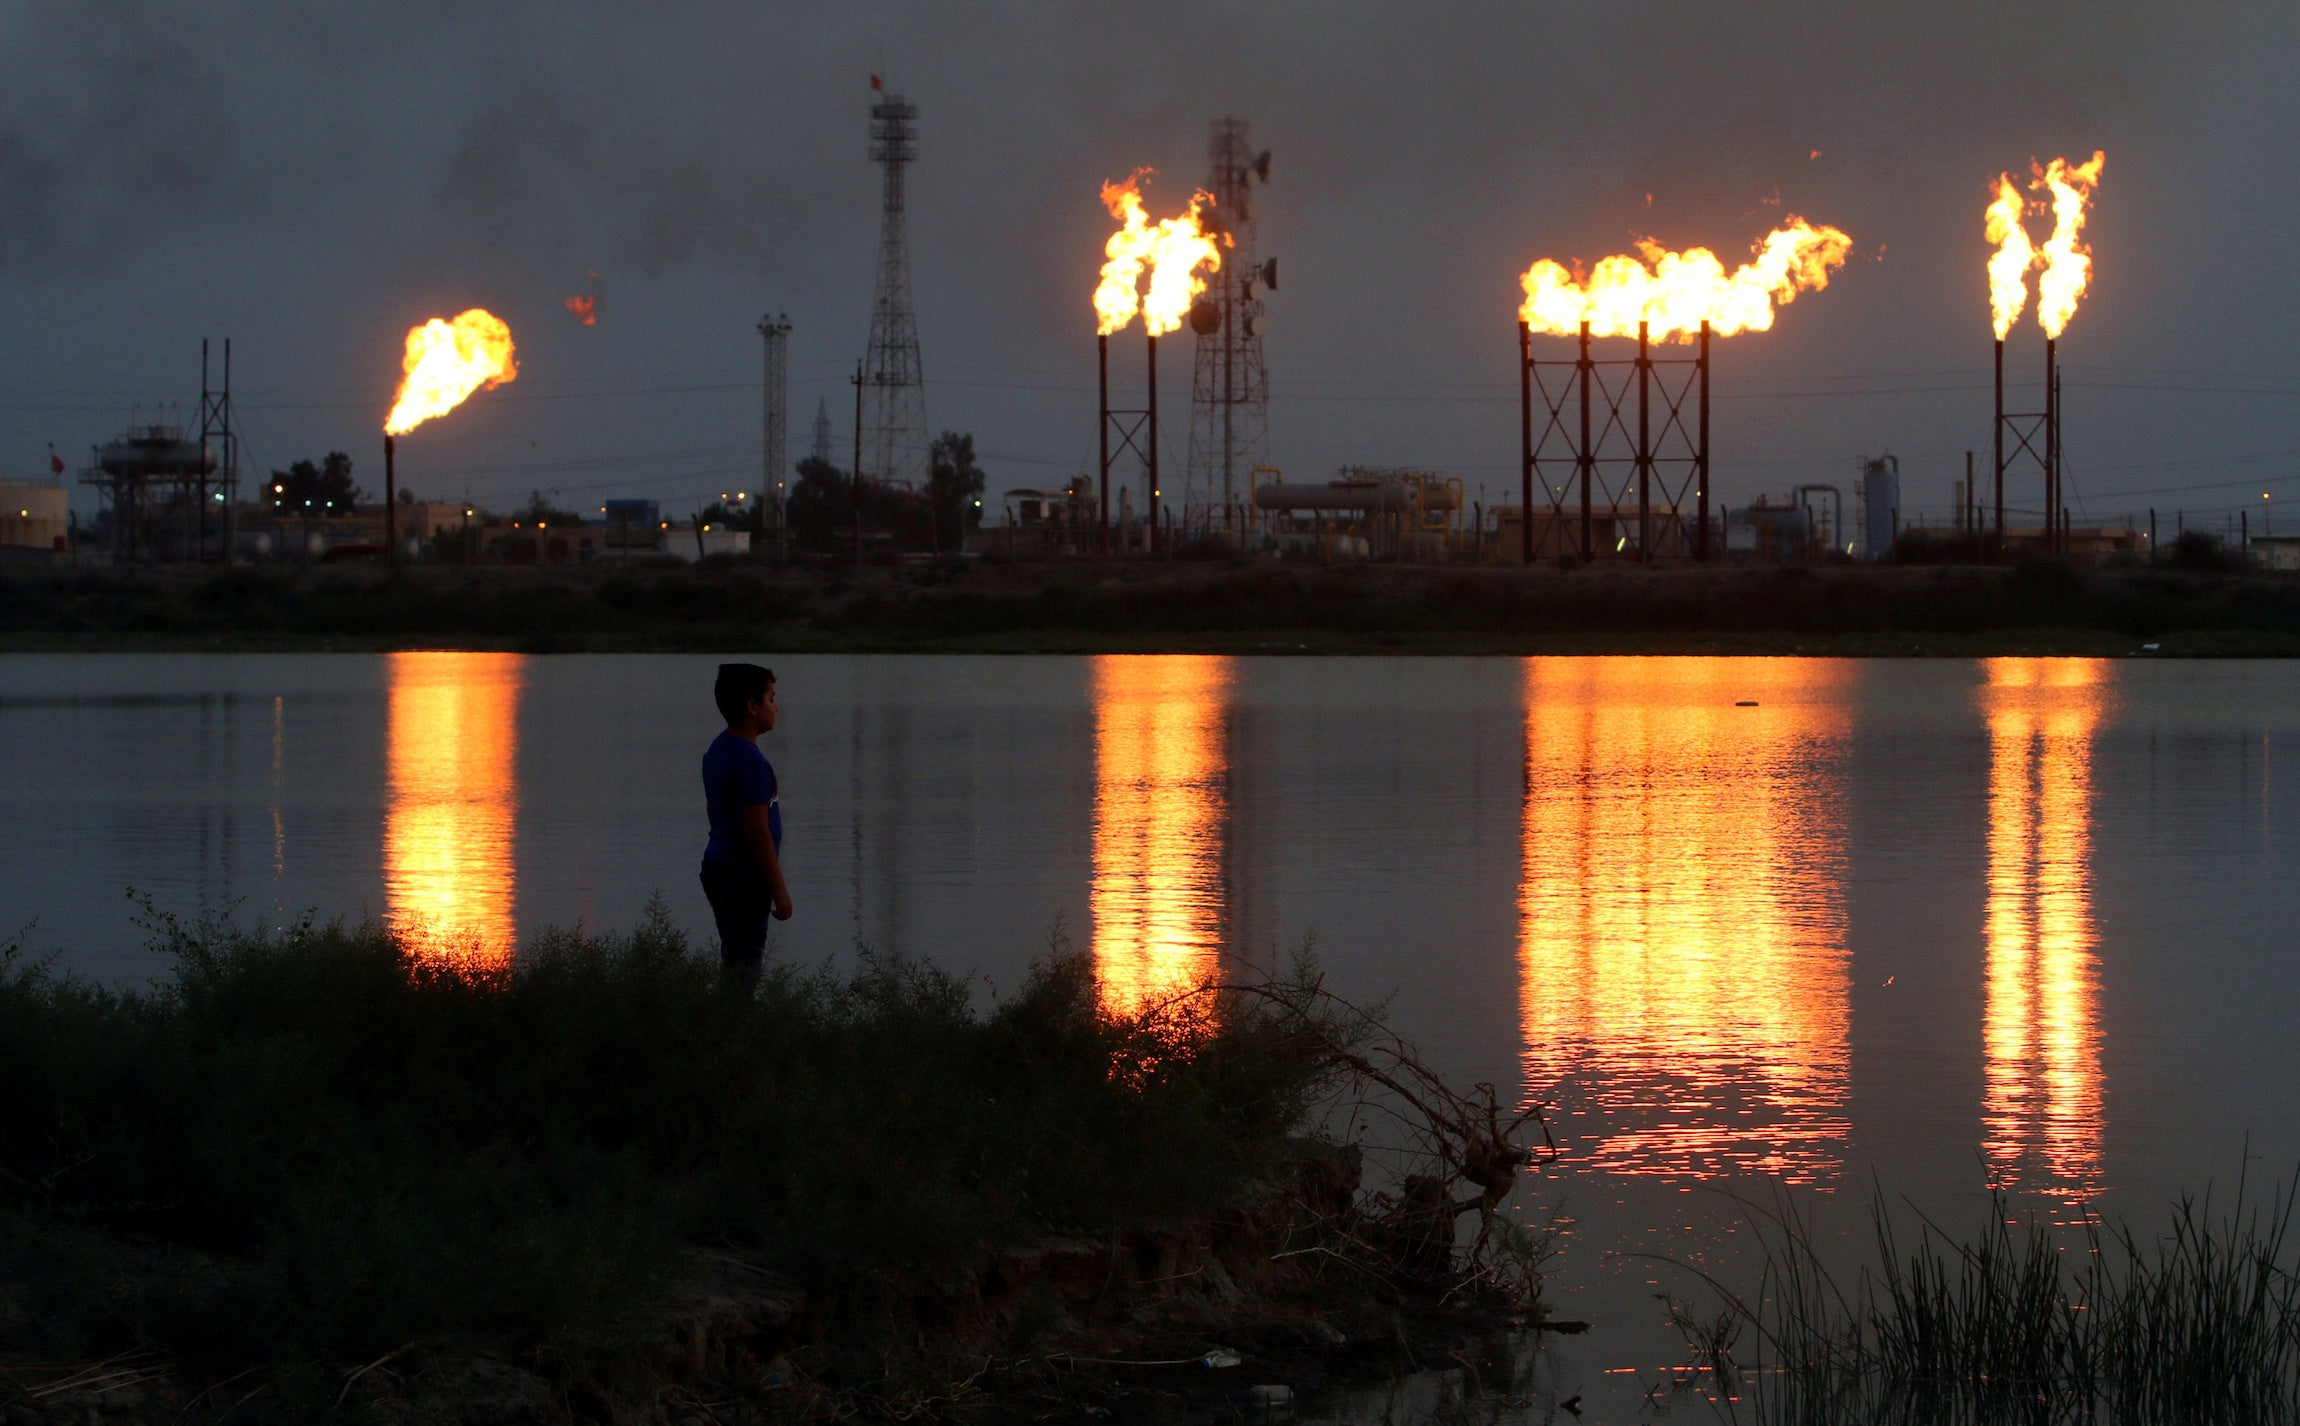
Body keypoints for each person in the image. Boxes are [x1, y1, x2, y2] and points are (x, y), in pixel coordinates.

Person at [700, 662, 791, 988]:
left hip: (718, 868)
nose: (775, 707)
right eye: (770, 698)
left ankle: (726, 1026)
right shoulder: (750, 761)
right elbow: (757, 829)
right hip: (743, 875)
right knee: (744, 967)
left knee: (735, 957)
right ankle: (734, 1031)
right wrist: (779, 889)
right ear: (751, 706)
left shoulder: (718, 749)